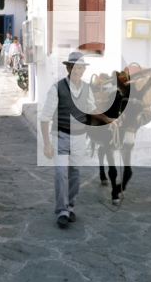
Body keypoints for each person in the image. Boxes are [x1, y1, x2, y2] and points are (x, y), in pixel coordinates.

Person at [39, 52, 113, 228]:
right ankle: (62, 211)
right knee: (60, 173)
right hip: (61, 136)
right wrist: (47, 144)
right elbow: (44, 118)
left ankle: (70, 207)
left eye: (81, 68)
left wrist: (108, 120)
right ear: (68, 68)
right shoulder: (56, 89)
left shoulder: (86, 89)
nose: (78, 71)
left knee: (75, 174)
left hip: (80, 138)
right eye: (75, 68)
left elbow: (91, 109)